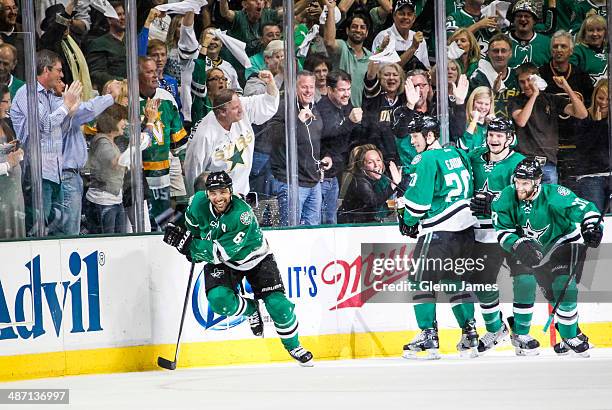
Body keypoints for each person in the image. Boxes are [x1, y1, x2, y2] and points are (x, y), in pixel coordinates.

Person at [163, 171, 314, 366]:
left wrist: (189, 246)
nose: (219, 198)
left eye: (223, 192)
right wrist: (184, 239)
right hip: (224, 264)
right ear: (207, 193)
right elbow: (192, 230)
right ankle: (251, 309)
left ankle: (293, 345)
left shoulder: (241, 214)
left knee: (279, 306)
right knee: (219, 301)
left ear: (231, 192)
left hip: (256, 259)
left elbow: (219, 254)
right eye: (213, 193)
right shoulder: (197, 203)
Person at [491, 158, 604, 357]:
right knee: (542, 291)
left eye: (525, 183)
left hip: (564, 243)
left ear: (537, 181)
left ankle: (570, 336)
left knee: (563, 288)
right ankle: (551, 332)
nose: (520, 187)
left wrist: (593, 226)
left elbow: (587, 209)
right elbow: (502, 231)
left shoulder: (555, 195)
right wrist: (516, 243)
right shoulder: (506, 197)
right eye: (517, 182)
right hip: (534, 250)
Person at [396, 114, 479, 359]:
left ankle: (428, 335)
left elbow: (418, 204)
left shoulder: (425, 158)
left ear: (430, 136)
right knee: (454, 281)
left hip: (440, 231)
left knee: (420, 280)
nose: (412, 142)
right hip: (465, 231)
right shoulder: (456, 153)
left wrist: (407, 220)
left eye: (415, 136)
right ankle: (470, 333)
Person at [467, 117, 525, 354]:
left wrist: (495, 203)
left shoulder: (519, 162)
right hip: (481, 234)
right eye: (491, 135)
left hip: (510, 232)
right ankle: (495, 328)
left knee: (524, 280)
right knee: (481, 283)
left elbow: (525, 196)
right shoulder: (475, 157)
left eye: (499, 136)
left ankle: (522, 332)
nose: (494, 139)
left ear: (509, 138)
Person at [185, 70, 279, 197]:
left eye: (240, 105)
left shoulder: (241, 107)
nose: (241, 110)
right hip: (218, 200)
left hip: (241, 194)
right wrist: (199, 204)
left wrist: (271, 84)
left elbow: (267, 105)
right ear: (222, 112)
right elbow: (193, 172)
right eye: (235, 108)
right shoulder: (204, 134)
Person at [509, 62, 588, 184]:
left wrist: (566, 87)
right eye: (522, 81)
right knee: (525, 200)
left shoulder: (551, 99)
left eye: (529, 80)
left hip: (548, 162)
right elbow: (521, 121)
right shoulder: (516, 100)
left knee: (549, 200)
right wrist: (534, 94)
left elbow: (582, 113)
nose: (526, 85)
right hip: (524, 161)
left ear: (537, 79)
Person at [269, 71, 330, 226]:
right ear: (294, 88)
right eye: (304, 87)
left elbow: (320, 140)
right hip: (291, 183)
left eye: (311, 87)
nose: (309, 91)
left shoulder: (315, 108)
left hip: (314, 182)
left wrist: (327, 156)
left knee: (313, 230)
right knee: (291, 230)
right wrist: (297, 122)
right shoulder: (283, 107)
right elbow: (274, 138)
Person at [317, 70, 362, 224]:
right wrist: (350, 122)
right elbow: (329, 134)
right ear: (330, 90)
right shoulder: (322, 108)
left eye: (348, 89)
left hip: (336, 172)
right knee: (321, 220)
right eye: (342, 90)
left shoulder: (345, 104)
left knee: (331, 219)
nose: (346, 94)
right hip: (322, 176)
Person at [337, 144, 402, 224]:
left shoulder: (376, 179)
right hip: (351, 224)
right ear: (363, 166)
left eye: (378, 160)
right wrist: (393, 185)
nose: (376, 165)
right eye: (370, 162)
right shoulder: (360, 182)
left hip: (365, 221)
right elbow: (373, 202)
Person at [573, 79, 610, 213]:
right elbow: (584, 146)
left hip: (609, 172)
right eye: (600, 97)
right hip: (590, 176)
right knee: (593, 218)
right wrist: (598, 125)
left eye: (608, 99)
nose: (604, 102)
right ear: (594, 96)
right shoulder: (584, 115)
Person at [469, 33, 520, 119]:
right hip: (486, 129)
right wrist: (493, 91)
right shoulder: (477, 77)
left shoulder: (517, 76)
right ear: (488, 53)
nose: (499, 55)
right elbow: (472, 109)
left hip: (512, 129)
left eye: (503, 51)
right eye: (495, 51)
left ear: (510, 53)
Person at [371, 0, 430, 71]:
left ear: (414, 18)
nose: (405, 17)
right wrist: (413, 48)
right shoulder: (383, 37)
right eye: (401, 14)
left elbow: (426, 69)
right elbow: (387, 71)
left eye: (409, 14)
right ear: (394, 16)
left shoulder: (420, 39)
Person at [0, 83, 25, 239]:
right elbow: (7, 162)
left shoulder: (6, 125)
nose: (9, 105)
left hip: (14, 197)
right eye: (6, 101)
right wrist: (8, 163)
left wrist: (14, 152)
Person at [570, 14, 608, 86]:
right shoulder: (577, 51)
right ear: (584, 33)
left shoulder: (608, 50)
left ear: (605, 32)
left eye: (599, 30)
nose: (595, 34)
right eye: (590, 30)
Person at [459, 86, 494, 152]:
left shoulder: (490, 125)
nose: (483, 107)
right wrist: (474, 120)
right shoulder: (463, 123)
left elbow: (511, 143)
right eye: (479, 103)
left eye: (486, 104)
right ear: (472, 102)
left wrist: (495, 124)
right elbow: (465, 147)